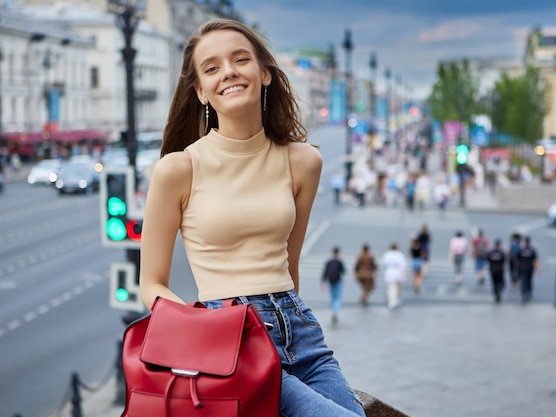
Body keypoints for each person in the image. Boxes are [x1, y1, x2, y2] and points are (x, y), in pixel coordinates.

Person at [138, 19, 365, 417]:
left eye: (240, 59)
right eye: (211, 68)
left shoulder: (303, 162)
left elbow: (289, 265)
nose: (227, 71)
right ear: (200, 91)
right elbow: (152, 284)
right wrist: (205, 334)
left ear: (264, 74)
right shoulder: (178, 169)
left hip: (302, 333)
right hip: (232, 339)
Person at [321, 246, 346, 325]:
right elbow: (343, 272)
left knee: (332, 297)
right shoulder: (339, 262)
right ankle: (335, 311)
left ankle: (333, 311)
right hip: (338, 281)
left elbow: (325, 273)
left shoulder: (329, 262)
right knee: (337, 297)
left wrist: (323, 282)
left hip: (331, 281)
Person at [380, 242, 408, 310]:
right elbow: (403, 266)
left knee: (391, 289)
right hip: (398, 274)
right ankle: (395, 300)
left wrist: (381, 272)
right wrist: (405, 275)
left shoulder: (387, 254)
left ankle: (392, 302)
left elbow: (382, 264)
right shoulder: (400, 255)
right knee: (398, 288)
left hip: (389, 273)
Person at [516, 236, 540, 304]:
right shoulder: (532, 250)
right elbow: (535, 260)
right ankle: (528, 292)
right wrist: (538, 269)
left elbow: (517, 259)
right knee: (529, 280)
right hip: (529, 267)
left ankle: (525, 293)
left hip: (523, 267)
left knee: (524, 280)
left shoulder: (521, 250)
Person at [485, 239, 506, 303]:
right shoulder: (501, 253)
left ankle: (496, 293)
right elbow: (503, 261)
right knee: (500, 283)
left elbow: (487, 260)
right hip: (499, 270)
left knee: (494, 283)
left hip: (493, 269)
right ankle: (498, 292)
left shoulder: (491, 252)